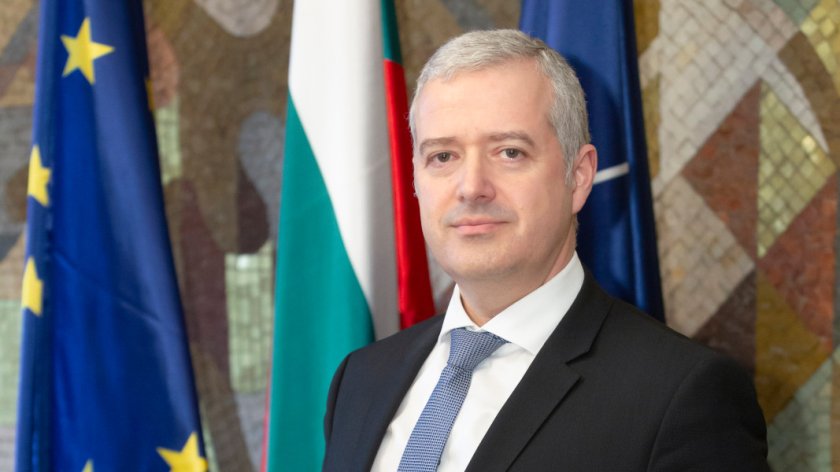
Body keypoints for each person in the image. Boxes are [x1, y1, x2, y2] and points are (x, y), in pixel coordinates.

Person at [323, 29, 769, 471]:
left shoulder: (682, 395)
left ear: (579, 176)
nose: (471, 187)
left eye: (509, 152)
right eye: (443, 156)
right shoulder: (361, 379)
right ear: (416, 178)